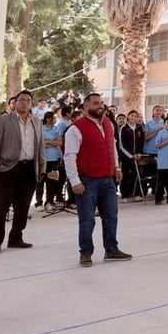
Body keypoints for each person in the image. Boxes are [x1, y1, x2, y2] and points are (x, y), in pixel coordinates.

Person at [64, 93, 131, 267]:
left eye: (101, 103)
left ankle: (111, 249)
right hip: (87, 182)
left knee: (111, 216)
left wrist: (117, 167)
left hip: (108, 180)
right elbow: (69, 156)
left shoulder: (108, 124)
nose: (100, 106)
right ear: (85, 107)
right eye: (95, 103)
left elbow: (113, 148)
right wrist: (75, 181)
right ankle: (85, 253)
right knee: (87, 219)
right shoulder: (75, 128)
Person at [0, 89, 45, 254]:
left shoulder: (37, 122)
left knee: (23, 206)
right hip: (7, 168)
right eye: (22, 100)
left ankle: (16, 238)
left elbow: (40, 147)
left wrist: (41, 167)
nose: (25, 103)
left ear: (31, 104)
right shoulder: (3, 120)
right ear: (15, 103)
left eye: (28, 100)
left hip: (29, 169)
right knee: (1, 207)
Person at [41, 110, 64, 210]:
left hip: (54, 158)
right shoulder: (41, 129)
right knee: (41, 181)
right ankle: (38, 202)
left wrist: (49, 142)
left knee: (53, 180)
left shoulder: (56, 129)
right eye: (53, 118)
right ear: (48, 119)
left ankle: (49, 201)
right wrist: (52, 142)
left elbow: (59, 143)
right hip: (43, 158)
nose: (55, 120)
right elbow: (41, 144)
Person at [153, 117, 168, 205]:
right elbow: (157, 145)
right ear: (164, 123)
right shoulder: (161, 133)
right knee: (160, 183)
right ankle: (158, 199)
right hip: (163, 163)